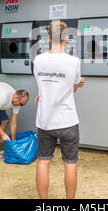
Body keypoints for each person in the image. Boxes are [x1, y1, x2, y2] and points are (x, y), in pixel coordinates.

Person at [33, 20, 85, 199]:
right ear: (67, 38)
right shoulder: (74, 62)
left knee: (43, 162)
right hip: (67, 121)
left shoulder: (38, 60)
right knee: (70, 164)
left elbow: (42, 88)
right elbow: (73, 87)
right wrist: (78, 84)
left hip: (45, 121)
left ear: (48, 37)